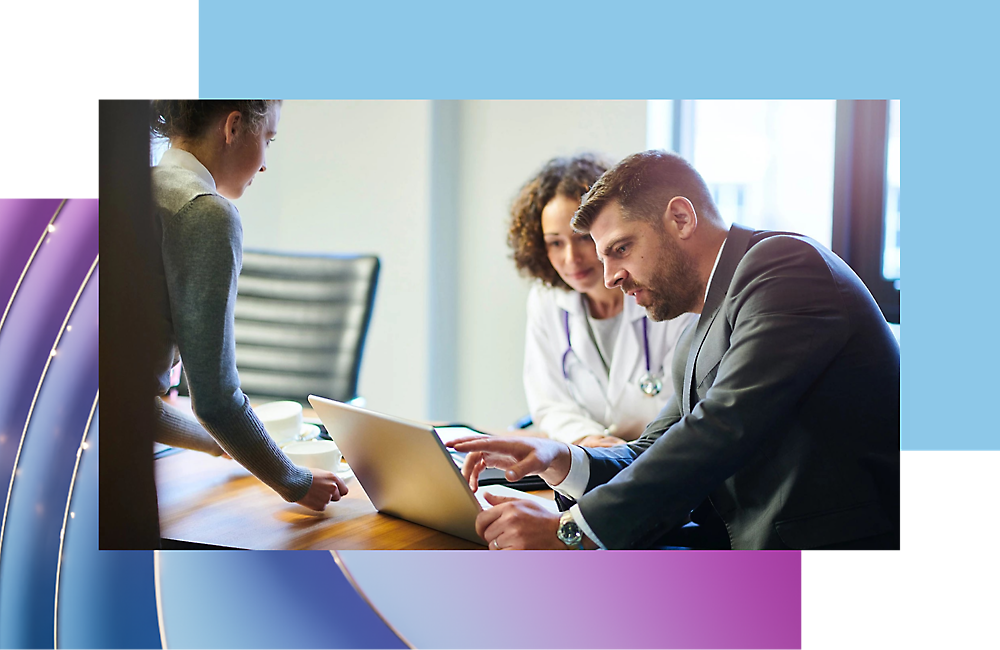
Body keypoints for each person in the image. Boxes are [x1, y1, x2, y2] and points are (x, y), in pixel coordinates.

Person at [450, 150, 900, 553]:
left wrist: (571, 531)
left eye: (620, 249)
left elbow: (721, 428)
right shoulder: (704, 319)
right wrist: (559, 457)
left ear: (681, 219)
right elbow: (653, 447)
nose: (610, 277)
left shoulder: (786, 268)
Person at [148, 99, 347, 511]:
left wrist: (230, 447)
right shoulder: (203, 213)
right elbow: (216, 400)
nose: (264, 164)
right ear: (233, 127)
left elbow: (118, 405)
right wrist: (295, 480)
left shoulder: (129, 191)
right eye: (268, 140)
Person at [507, 154, 696, 447]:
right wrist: (588, 439)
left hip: (658, 461)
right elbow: (549, 403)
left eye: (582, 238)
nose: (571, 259)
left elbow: (683, 404)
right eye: (555, 243)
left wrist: (620, 452)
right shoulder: (547, 301)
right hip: (584, 456)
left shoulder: (665, 294)